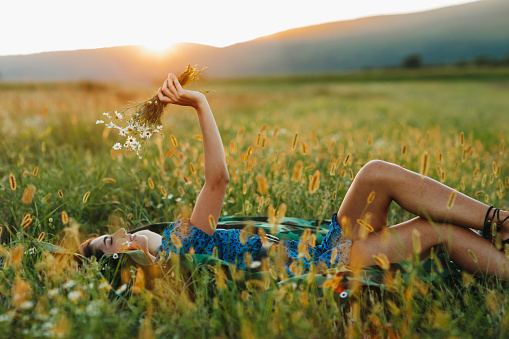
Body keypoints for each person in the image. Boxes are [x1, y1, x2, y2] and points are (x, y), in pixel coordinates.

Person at [79, 73, 509, 279]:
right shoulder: (181, 251)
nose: (121, 232)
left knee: (378, 173)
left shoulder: (178, 241)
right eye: (113, 243)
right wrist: (198, 104)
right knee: (436, 231)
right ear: (129, 260)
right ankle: (501, 233)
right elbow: (218, 181)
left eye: (113, 232)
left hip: (325, 243)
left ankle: (498, 221)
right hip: (327, 260)